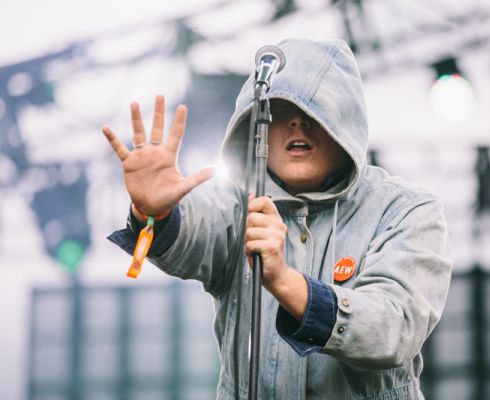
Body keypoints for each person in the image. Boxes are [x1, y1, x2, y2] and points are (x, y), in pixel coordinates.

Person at [103, 38, 452, 400]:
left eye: (317, 110)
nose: (298, 122)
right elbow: (192, 232)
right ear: (257, 126)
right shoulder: (236, 202)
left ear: (346, 119)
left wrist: (284, 281)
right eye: (281, 109)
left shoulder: (406, 210)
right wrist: (154, 214)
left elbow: (394, 326)